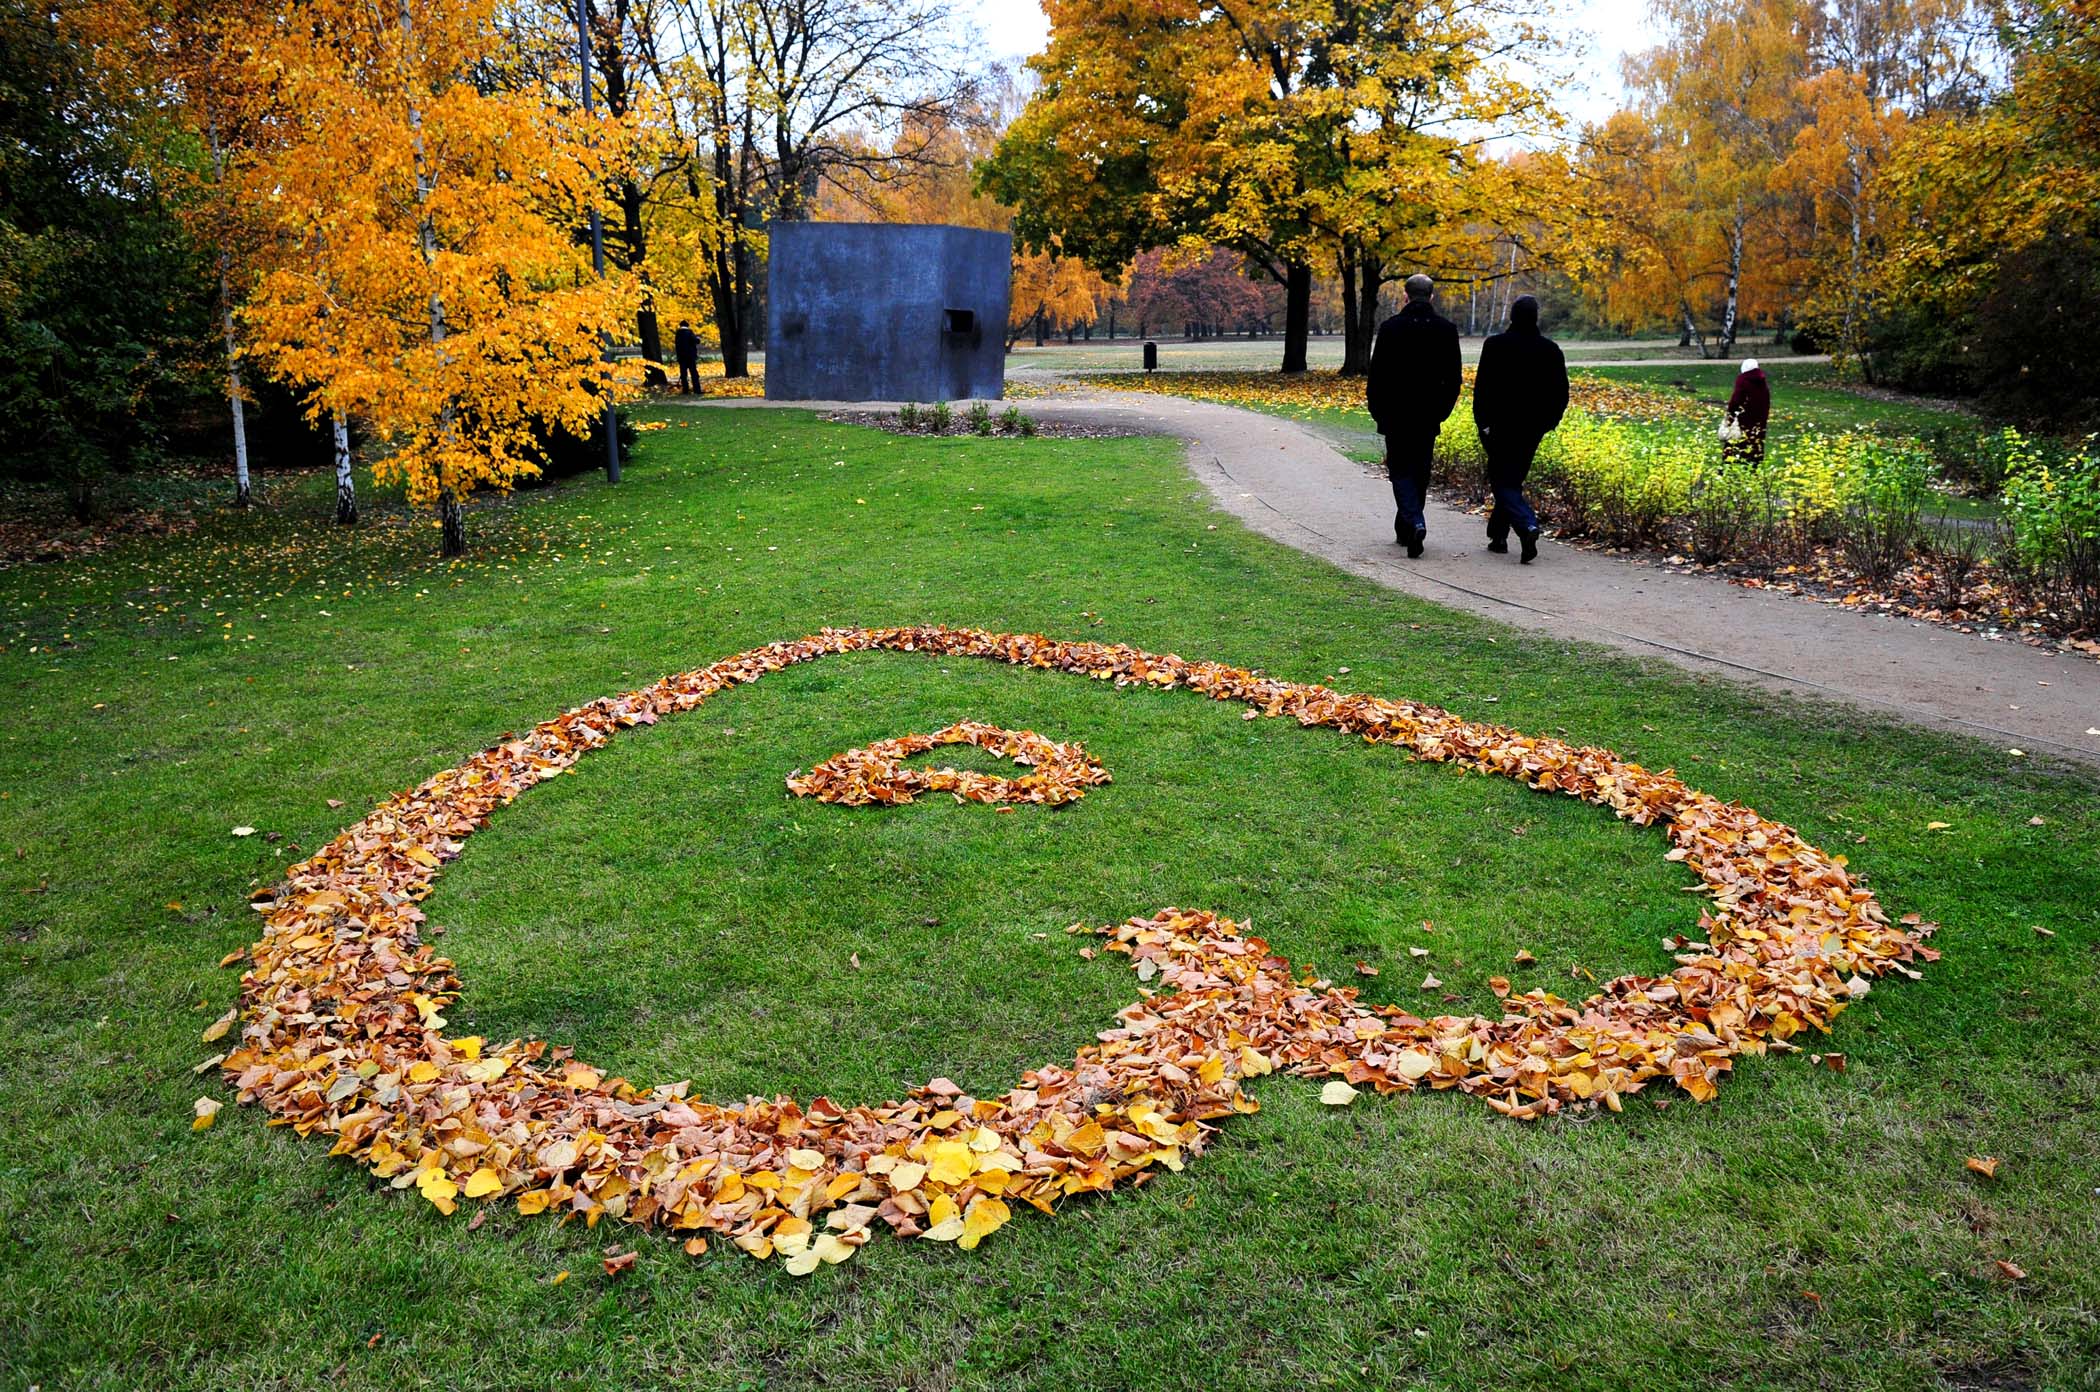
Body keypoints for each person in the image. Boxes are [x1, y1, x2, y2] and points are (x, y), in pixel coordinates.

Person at [1365, 273, 1462, 557]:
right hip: (1428, 413)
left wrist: (1377, 410)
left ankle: (1414, 521)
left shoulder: (1391, 328)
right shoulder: (1446, 330)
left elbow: (1378, 375)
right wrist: (1442, 411)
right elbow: (1453, 378)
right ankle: (1407, 527)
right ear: (1431, 296)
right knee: (1419, 472)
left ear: (1405, 296)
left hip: (1395, 413)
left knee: (1400, 471)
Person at [1472, 295, 1568, 564]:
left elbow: (1483, 387)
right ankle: (1498, 536)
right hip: (1532, 428)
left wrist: (1483, 422)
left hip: (1500, 425)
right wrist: (1549, 422)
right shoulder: (1550, 350)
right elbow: (1561, 394)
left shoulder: (1495, 346)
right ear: (1535, 317)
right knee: (1512, 479)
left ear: (1512, 316)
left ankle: (1525, 524)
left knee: (1502, 481)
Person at [1723, 357, 1770, 463]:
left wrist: (1730, 416)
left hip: (1744, 418)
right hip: (1759, 418)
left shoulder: (1743, 381)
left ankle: (1730, 464)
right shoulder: (1762, 382)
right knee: (1756, 441)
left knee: (1736, 441)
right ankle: (1754, 463)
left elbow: (1736, 400)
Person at [674, 320, 701, 394]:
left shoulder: (678, 334)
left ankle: (685, 390)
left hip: (681, 357)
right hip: (690, 357)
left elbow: (677, 346)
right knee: (694, 373)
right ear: (687, 326)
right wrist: (698, 339)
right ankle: (697, 389)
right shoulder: (689, 332)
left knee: (683, 374)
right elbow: (696, 341)